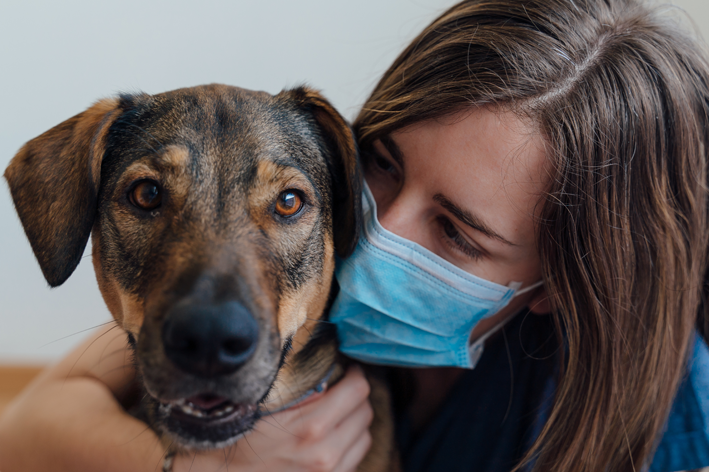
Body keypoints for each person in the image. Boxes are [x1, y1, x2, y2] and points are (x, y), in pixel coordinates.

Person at [1, 0, 708, 471]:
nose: (373, 235)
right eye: (383, 165)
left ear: (556, 282)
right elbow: (26, 428)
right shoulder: (276, 302)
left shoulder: (673, 427)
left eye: (455, 231)